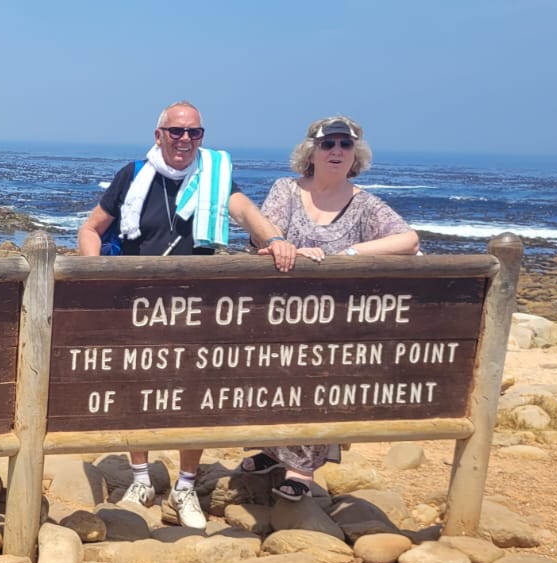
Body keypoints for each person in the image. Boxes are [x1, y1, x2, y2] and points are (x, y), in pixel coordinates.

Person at [76, 100, 280, 530]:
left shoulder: (214, 176)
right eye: (176, 132)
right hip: (138, 303)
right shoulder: (133, 176)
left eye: (195, 133)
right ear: (159, 135)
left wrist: (274, 238)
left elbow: (243, 210)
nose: (185, 140)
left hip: (195, 305)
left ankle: (186, 485)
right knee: (138, 389)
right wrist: (94, 274)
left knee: (192, 396)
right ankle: (141, 479)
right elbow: (91, 228)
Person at [240, 116, 420, 501]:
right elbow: (264, 233)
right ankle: (273, 451)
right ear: (311, 152)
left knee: (318, 385)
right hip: (280, 314)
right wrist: (286, 248)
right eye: (328, 144)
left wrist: (347, 254)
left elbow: (408, 239)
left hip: (334, 322)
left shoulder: (365, 204)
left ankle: (300, 471)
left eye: (345, 145)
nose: (336, 151)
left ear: (356, 155)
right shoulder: (286, 190)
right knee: (272, 384)